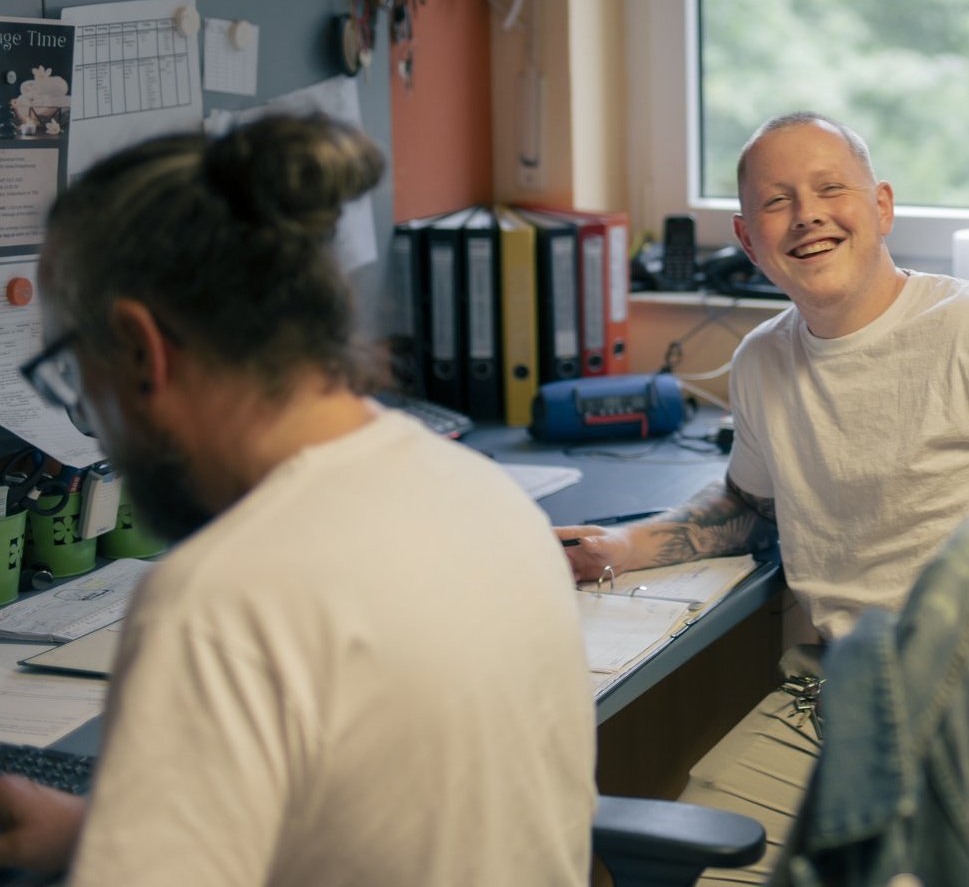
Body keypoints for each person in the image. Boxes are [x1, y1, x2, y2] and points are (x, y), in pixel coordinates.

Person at [559, 111, 969, 882]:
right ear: (748, 241)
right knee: (693, 864)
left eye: (829, 188)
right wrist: (620, 549)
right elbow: (748, 507)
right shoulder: (761, 362)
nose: (807, 213)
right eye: (776, 201)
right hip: (838, 715)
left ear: (880, 207)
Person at [0, 114, 597, 886]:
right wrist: (103, 836)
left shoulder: (220, 601)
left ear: (141, 348)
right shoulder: (482, 493)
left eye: (72, 374)